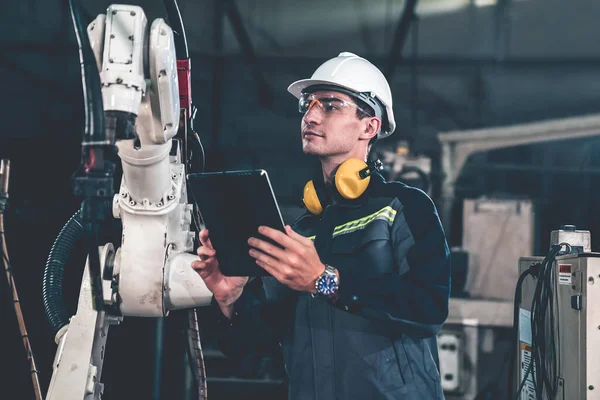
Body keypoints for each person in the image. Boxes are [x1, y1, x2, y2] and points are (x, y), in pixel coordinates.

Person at [192, 52, 451, 400]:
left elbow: (428, 307)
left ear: (369, 126)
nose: (311, 115)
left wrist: (324, 280)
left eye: (330, 105)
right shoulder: (299, 232)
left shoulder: (404, 207)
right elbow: (256, 354)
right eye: (307, 104)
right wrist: (229, 300)